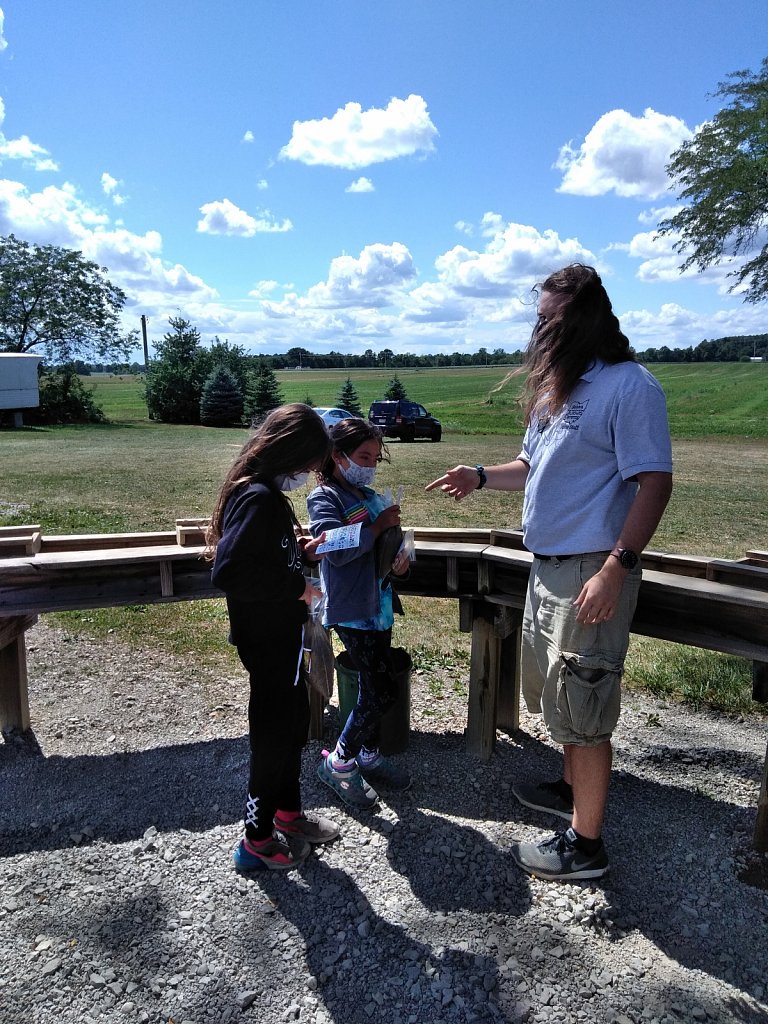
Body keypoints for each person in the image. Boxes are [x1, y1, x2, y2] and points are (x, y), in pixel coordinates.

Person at [426, 264, 673, 882]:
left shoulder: (629, 386)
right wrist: (479, 476)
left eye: (551, 319)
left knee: (584, 701)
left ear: (586, 320)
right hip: (548, 568)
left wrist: (618, 566)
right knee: (562, 695)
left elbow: (655, 481)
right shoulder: (557, 390)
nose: (540, 330)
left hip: (593, 568)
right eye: (539, 318)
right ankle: (570, 791)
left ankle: (586, 846)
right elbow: (528, 465)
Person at [206, 404, 340, 872]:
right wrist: (296, 586)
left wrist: (296, 553)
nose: (307, 474)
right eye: (306, 465)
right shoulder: (259, 497)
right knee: (272, 735)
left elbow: (263, 554)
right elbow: (231, 571)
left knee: (294, 721)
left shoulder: (266, 497)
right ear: (289, 452)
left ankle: (288, 813)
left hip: (282, 636)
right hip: (266, 640)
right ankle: (256, 840)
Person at [307, 418, 412, 810]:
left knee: (372, 687)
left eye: (374, 458)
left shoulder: (369, 495)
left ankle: (367, 755)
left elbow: (388, 547)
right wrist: (377, 527)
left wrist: (401, 559)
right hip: (352, 609)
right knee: (382, 690)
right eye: (363, 456)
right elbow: (330, 545)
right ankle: (340, 760)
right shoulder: (325, 498)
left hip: (379, 605)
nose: (369, 464)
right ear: (337, 456)